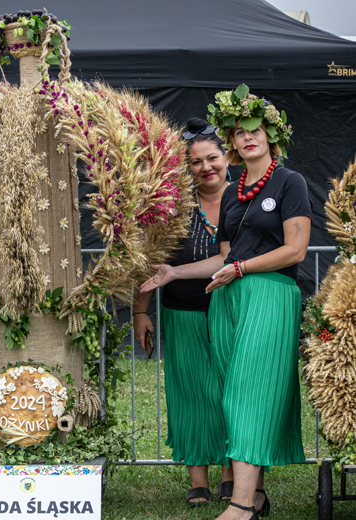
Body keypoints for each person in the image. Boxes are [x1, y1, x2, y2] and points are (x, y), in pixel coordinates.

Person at [141, 85, 310, 520]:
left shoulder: (290, 182)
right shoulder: (236, 194)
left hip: (268, 294)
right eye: (239, 132)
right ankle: (256, 495)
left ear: (271, 136)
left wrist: (242, 268)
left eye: (255, 130)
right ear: (233, 141)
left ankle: (240, 505)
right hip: (229, 298)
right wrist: (174, 272)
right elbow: (224, 257)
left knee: (249, 394)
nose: (248, 137)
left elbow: (295, 250)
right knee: (232, 394)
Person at [133, 118, 232, 507]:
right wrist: (140, 312)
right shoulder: (172, 207)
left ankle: (231, 475)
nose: (206, 167)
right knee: (191, 394)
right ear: (186, 167)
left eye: (212, 158)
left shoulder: (245, 199)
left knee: (230, 392)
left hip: (233, 311)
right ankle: (198, 481)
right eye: (196, 162)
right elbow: (147, 260)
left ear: (227, 158)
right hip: (182, 312)